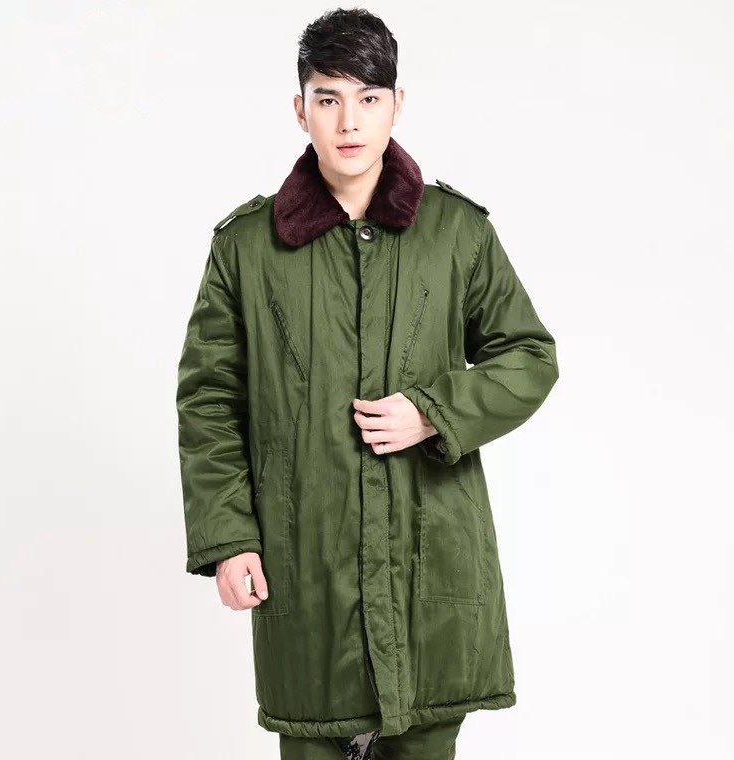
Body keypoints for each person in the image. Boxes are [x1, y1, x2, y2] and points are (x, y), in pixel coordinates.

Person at [176, 8, 559, 759]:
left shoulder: (456, 232)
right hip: (306, 570)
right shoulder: (246, 247)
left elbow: (528, 355)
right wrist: (229, 539)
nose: (349, 120)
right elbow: (209, 398)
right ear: (301, 110)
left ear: (396, 104)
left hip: (430, 568)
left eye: (368, 97)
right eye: (328, 98)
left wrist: (433, 411)